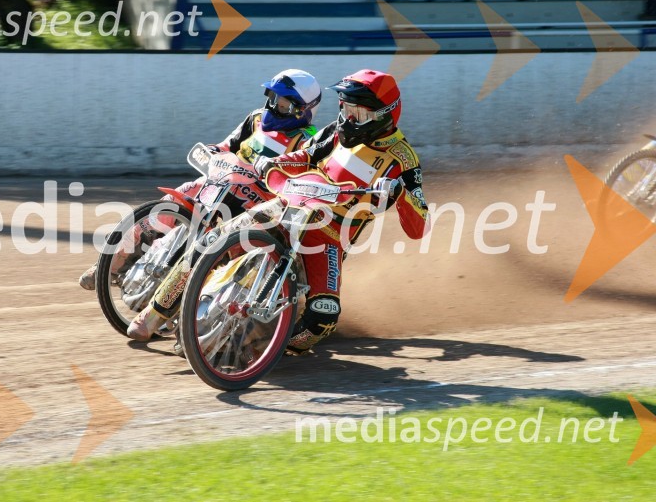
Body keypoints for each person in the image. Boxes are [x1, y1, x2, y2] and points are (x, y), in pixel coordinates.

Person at [128, 70, 430, 354]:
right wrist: (276, 163)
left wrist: (400, 193)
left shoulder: (403, 160)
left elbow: (420, 227)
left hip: (328, 234)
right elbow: (305, 155)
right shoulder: (335, 133)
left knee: (321, 320)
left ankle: (268, 345)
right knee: (212, 239)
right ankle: (154, 313)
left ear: (384, 115)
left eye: (358, 114)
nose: (348, 118)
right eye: (345, 108)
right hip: (286, 206)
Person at [78, 69, 323, 290]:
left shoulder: (307, 140)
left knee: (237, 253)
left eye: (282, 104)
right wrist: (214, 150)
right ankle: (110, 264)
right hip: (222, 184)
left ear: (304, 109)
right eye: (272, 98)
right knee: (175, 198)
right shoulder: (256, 118)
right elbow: (228, 145)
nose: (273, 107)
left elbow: (297, 186)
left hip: (256, 205)